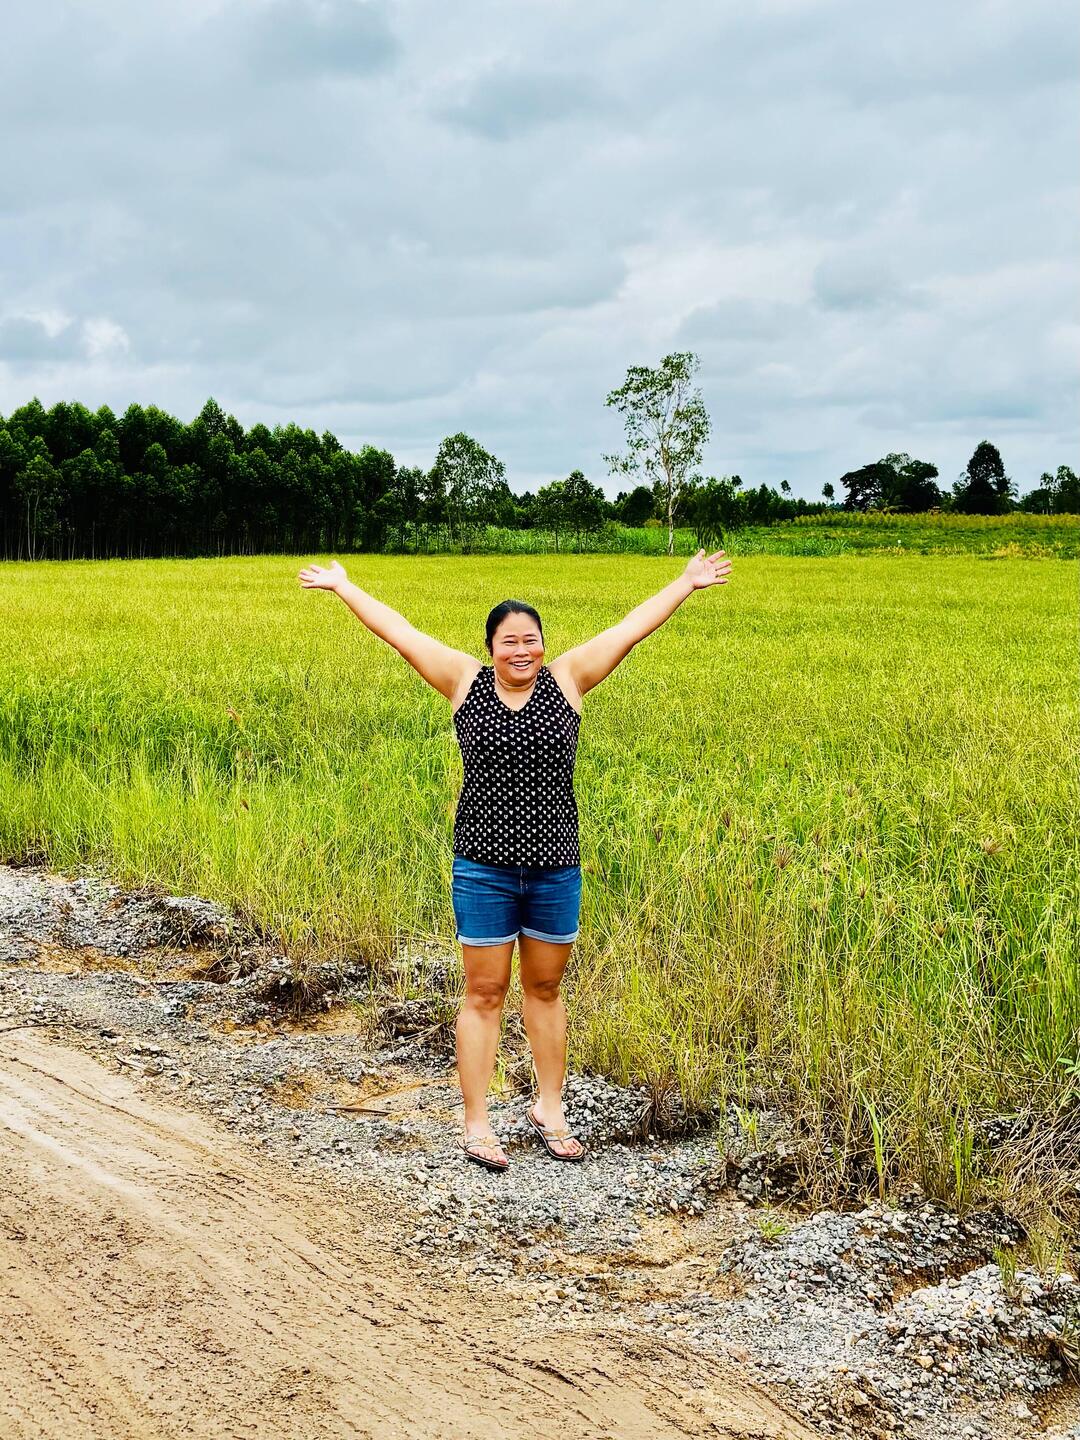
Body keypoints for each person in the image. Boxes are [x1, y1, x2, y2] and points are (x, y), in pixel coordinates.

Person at [297, 549, 732, 1170]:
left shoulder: (569, 679)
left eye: (531, 640)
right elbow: (401, 633)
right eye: (509, 641)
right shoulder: (463, 681)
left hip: (555, 867)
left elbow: (630, 629)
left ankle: (549, 1106)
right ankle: (476, 1122)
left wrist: (684, 583)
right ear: (491, 648)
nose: (521, 651)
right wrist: (345, 587)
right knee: (484, 991)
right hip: (483, 868)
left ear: (543, 645)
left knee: (546, 988)